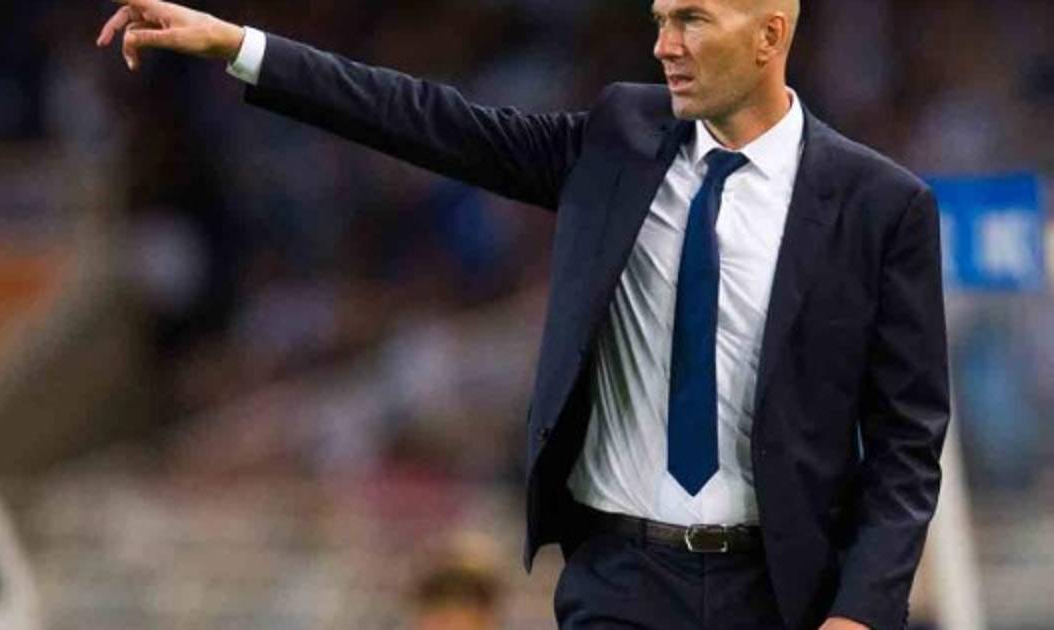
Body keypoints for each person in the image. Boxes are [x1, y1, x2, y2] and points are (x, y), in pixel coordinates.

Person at [96, 1, 951, 628]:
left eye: (692, 20)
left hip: (780, 594)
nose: (664, 44)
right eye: (660, 20)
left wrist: (860, 614)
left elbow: (907, 445)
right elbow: (430, 121)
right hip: (621, 583)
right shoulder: (617, 138)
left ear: (770, 36)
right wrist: (240, 46)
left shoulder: (880, 206)